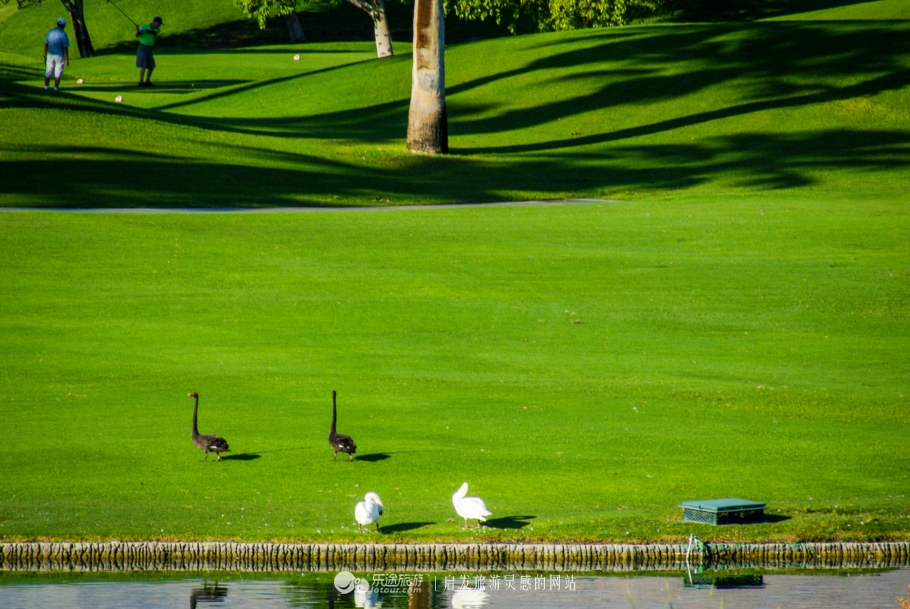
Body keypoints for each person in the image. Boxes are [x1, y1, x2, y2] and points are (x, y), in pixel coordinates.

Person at [44, 17, 70, 92]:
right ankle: (56, 88)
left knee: (49, 71)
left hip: (50, 54)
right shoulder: (63, 34)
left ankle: (46, 86)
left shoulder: (50, 32)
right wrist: (67, 59)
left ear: (57, 23)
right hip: (59, 55)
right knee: (58, 72)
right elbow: (65, 48)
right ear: (64, 25)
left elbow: (46, 44)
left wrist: (44, 54)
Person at [135, 16, 163, 87]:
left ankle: (147, 80)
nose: (159, 25)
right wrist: (139, 30)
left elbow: (152, 32)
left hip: (150, 49)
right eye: (159, 23)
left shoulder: (157, 29)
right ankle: (141, 81)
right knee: (143, 65)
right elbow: (137, 35)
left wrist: (143, 29)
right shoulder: (145, 26)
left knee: (151, 65)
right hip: (142, 48)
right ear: (154, 22)